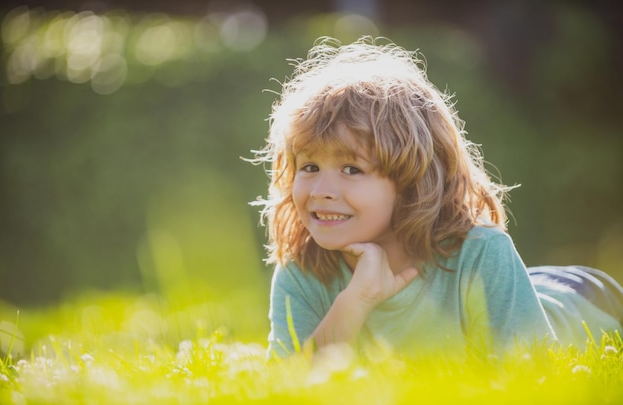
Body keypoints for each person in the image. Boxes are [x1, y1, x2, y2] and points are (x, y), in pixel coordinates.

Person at [251, 36, 623, 360]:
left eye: (352, 169)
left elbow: (534, 376)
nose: (321, 190)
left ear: (412, 179)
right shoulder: (304, 272)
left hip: (584, 299)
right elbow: (290, 386)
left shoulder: (482, 254)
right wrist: (355, 301)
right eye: (310, 167)